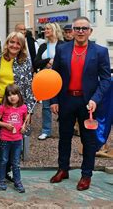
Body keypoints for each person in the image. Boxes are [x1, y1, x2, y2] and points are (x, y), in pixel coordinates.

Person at [49, 16, 110, 191]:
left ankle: (86, 175)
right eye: (77, 28)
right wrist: (54, 100)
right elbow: (55, 77)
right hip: (67, 100)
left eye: (84, 28)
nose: (81, 32)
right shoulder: (62, 49)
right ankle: (63, 169)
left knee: (88, 141)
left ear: (90, 31)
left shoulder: (100, 51)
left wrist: (95, 99)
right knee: (64, 138)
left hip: (88, 103)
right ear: (72, 31)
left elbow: (105, 80)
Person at [0, 31, 35, 185]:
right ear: (7, 43)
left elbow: (28, 86)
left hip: (16, 106)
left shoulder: (25, 62)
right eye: (11, 42)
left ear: (22, 47)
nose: (14, 45)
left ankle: (6, 171)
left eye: (18, 43)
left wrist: (29, 110)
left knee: (13, 139)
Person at [33, 22, 64, 140]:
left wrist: (55, 63)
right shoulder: (43, 46)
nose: (45, 31)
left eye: (48, 29)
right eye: (45, 29)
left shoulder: (63, 45)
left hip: (60, 78)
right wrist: (47, 60)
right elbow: (36, 63)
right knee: (46, 106)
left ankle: (63, 129)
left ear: (55, 30)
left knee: (62, 105)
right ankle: (46, 130)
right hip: (45, 79)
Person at [0, 84, 28, 193]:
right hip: (5, 139)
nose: (12, 97)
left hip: (17, 139)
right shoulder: (3, 107)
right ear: (6, 97)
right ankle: (1, 180)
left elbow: (25, 122)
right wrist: (5, 125)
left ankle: (17, 181)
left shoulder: (23, 107)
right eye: (9, 95)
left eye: (14, 94)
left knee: (16, 162)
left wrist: (24, 128)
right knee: (3, 160)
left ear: (19, 95)